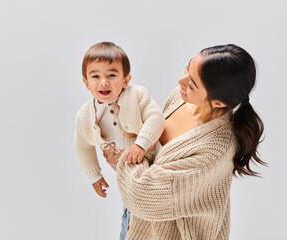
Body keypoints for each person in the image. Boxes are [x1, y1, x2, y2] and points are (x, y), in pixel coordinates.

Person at [103, 44, 266, 240]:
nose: (181, 81)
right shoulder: (180, 99)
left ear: (219, 103)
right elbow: (150, 145)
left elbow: (143, 196)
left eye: (192, 84)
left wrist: (124, 158)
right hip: (135, 225)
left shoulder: (214, 150)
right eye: (187, 70)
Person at [74, 42, 164, 200]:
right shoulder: (85, 115)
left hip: (156, 158)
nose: (103, 82)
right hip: (127, 171)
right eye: (95, 76)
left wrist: (141, 144)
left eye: (111, 75)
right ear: (86, 82)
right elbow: (83, 146)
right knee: (136, 204)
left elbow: (156, 118)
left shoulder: (137, 95)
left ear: (125, 80)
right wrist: (94, 175)